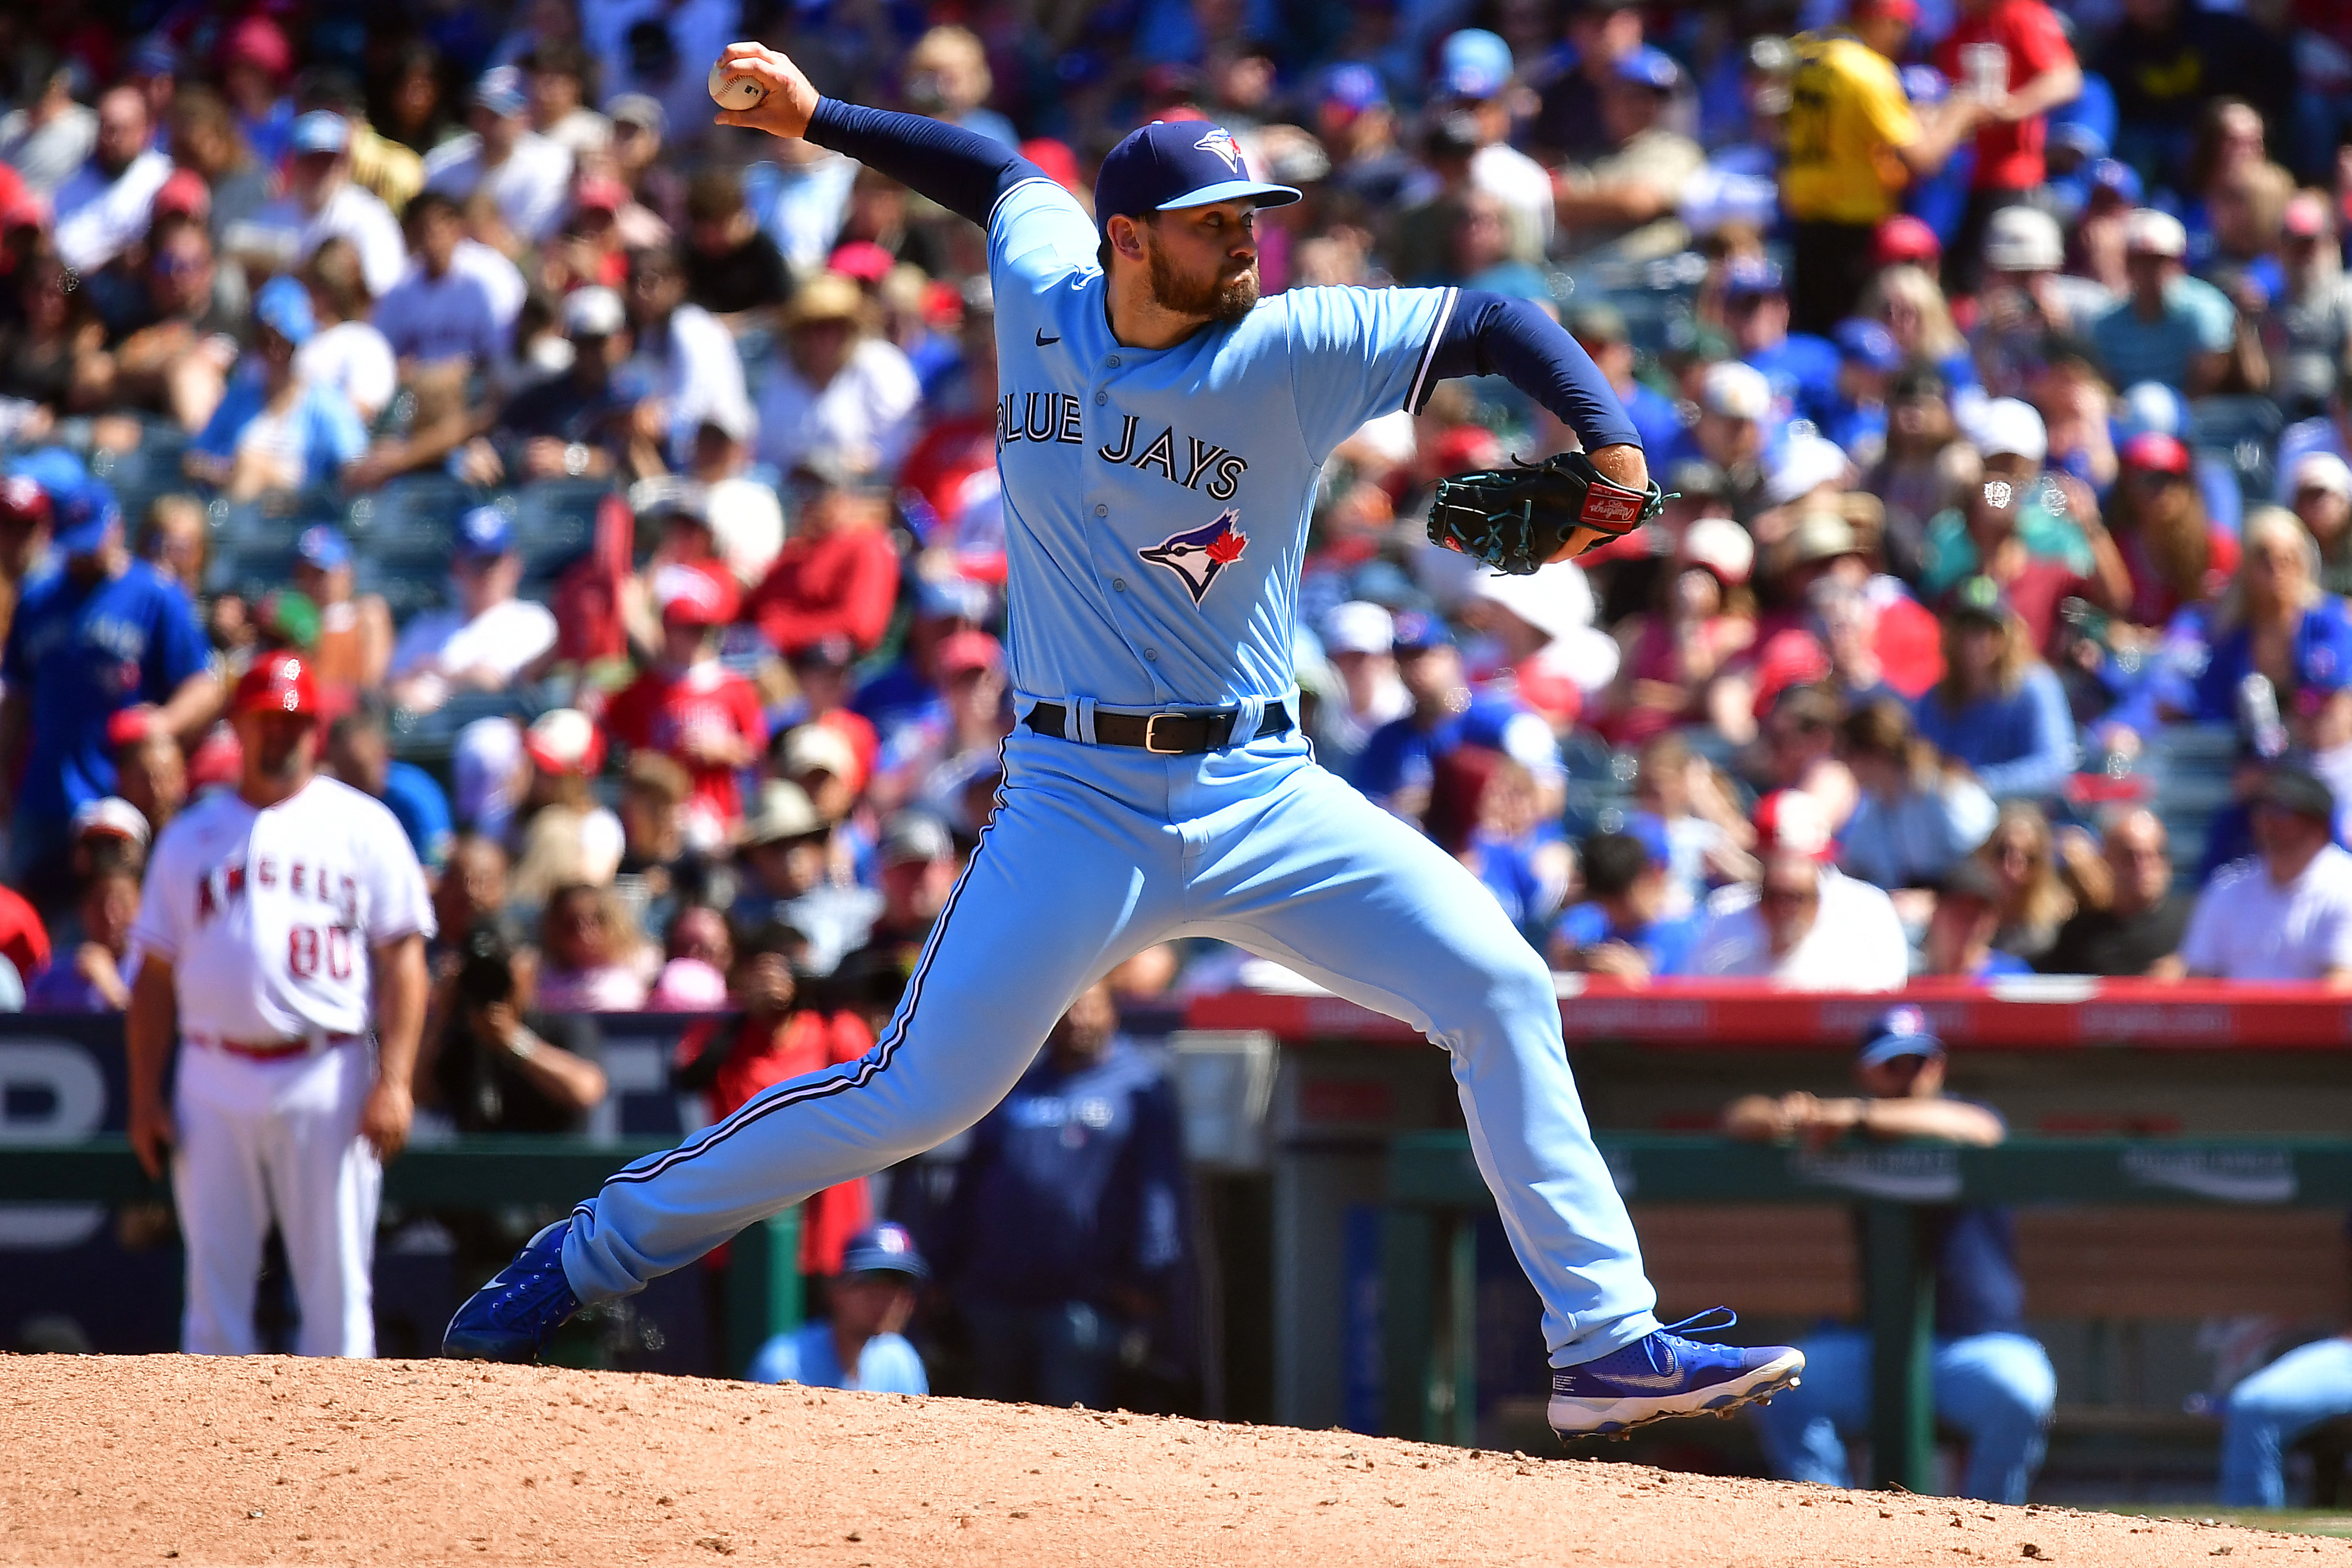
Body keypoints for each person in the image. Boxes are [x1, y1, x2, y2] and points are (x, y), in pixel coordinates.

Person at [447, 47, 1809, 1437]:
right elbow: (987, 169)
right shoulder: (1044, 286)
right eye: (1219, 224)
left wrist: (1619, 455)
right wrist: (818, 120)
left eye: (1251, 219)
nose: (1245, 242)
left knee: (1502, 985)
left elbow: (1499, 317)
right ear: (1127, 242)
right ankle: (591, 1250)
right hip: (1073, 795)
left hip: (1259, 787)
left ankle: (1603, 1337)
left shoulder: (1287, 345)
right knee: (912, 1092)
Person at [124, 654, 433, 1356]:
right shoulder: (190, 834)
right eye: (267, 719)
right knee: (213, 1294)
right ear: (238, 725)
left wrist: (396, 1080)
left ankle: (347, 1457)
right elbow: (152, 978)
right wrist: (145, 1096)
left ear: (316, 731)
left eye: (294, 721)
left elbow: (404, 960)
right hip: (211, 1070)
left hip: (327, 1071)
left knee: (336, 1295)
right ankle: (209, 1455)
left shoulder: (362, 824)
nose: (281, 735)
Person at [1733, 1007, 2057, 1504]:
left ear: (1939, 1066)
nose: (1908, 1075)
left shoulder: (1959, 1116)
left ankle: (1990, 1537)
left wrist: (1855, 1115)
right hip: (1870, 1346)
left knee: (2021, 1393)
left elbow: (1979, 1128)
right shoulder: (1841, 1131)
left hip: (1973, 1346)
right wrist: (1794, 1115)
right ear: (1865, 1070)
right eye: (1893, 1064)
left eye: (1919, 1062)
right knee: (1779, 1387)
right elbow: (1741, 1118)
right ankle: (1830, 1529)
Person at [942, 981, 1187, 1409]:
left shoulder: (1139, 1089)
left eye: (1089, 1007)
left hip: (1085, 1301)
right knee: (989, 1425)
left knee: (1073, 1429)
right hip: (997, 1294)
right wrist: (945, 1262)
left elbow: (1159, 1189)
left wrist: (1149, 1276)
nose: (1077, 1019)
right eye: (1067, 1008)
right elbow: (971, 1179)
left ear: (1113, 1012)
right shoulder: (1017, 1084)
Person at [0, 470, 216, 906]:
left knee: (114, 922)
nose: (84, 555)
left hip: (119, 794)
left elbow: (204, 685)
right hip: (44, 796)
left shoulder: (155, 594)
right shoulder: (39, 598)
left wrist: (163, 722)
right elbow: (18, 698)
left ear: (116, 528)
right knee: (30, 914)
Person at [671, 920, 878, 1276]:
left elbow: (872, 1102)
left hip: (825, 1236)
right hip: (738, 1236)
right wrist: (743, 1014)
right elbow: (686, 1076)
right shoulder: (726, 1032)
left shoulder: (835, 1030)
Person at [1782, 0, 1980, 336]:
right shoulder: (1867, 71)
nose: (1903, 38)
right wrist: (1962, 109)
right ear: (1881, 20)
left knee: (1812, 327)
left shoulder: (1804, 51)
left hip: (1804, 218)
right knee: (1852, 336)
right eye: (1900, 26)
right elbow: (1923, 158)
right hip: (1852, 227)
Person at [1930, 0, 2082, 295]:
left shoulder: (2021, 15)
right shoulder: (1958, 28)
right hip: (1957, 178)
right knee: (1956, 282)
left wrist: (2013, 109)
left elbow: (2065, 79)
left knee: (1995, 283)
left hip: (2011, 176)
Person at [1688, 792, 1911, 989]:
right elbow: (1694, 992)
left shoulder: (1867, 909)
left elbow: (1888, 998)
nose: (1785, 902)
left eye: (1796, 896)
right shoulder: (1727, 908)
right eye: (1776, 863)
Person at [2175, 767, 2352, 984]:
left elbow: (2341, 988)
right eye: (2260, 808)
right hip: (2236, 1016)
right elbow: (2199, 979)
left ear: (2317, 824)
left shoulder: (2344, 885)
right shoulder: (2228, 886)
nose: (2266, 820)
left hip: (2312, 1018)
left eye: (2281, 810)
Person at [1913, 578, 2077, 801]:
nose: (1974, 640)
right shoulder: (1937, 698)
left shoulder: (2034, 688)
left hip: (2026, 817)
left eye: (1988, 629)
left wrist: (1980, 782)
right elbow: (1919, 762)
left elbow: (2055, 767)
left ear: (2009, 634)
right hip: (1954, 817)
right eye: (1965, 629)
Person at [385, 506, 559, 715]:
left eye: (493, 562)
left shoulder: (532, 620)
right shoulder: (427, 625)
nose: (486, 573)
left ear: (514, 564)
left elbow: (492, 683)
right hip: (423, 732)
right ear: (457, 566)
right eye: (476, 562)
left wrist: (436, 672)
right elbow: (389, 688)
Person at [1837, 696, 1998, 895]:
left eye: (1848, 755)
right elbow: (1858, 865)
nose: (1845, 765)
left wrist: (1934, 898)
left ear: (1874, 753)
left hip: (1962, 899)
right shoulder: (1876, 806)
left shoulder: (1942, 791)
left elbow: (1980, 860)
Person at [746, 1221, 929, 1393]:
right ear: (837, 1290)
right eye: (873, 1281)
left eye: (900, 1285)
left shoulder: (902, 1361)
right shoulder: (784, 1364)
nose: (889, 1299)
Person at [420, 67, 574, 251]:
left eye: (496, 116)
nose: (485, 123)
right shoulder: (442, 162)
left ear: (524, 117)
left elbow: (531, 244)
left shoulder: (552, 164)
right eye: (480, 112)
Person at [2089, 210, 2236, 398]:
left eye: (2158, 261)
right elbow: (2108, 383)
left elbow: (2212, 369)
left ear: (2178, 263)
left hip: (2195, 413)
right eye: (2140, 261)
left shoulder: (2205, 309)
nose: (2148, 271)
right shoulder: (2107, 324)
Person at [2037, 808, 2193, 977]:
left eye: (2156, 854)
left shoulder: (2196, 923)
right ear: (2105, 859)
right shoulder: (2079, 935)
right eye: (2131, 856)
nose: (2144, 866)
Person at [1548, 823, 1700, 981]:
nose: (1616, 910)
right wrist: (1584, 962)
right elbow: (1561, 949)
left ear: (1654, 874)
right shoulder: (1593, 918)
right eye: (1608, 902)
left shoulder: (1687, 929)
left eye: (1623, 899)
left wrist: (1640, 981)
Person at [2220, 1327, 2352, 1509]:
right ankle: (2255, 1517)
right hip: (2259, 1407)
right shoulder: (2335, 1354)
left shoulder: (2323, 1351)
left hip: (2249, 1403)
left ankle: (2252, 1517)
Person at [51, 85, 173, 275]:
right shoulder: (73, 180)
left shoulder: (160, 178)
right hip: (73, 283)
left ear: (144, 130)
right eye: (106, 128)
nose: (111, 138)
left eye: (120, 130)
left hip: (127, 283)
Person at [326, 698, 454, 873]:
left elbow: (438, 872)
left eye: (359, 768)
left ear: (386, 754)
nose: (350, 780)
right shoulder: (330, 797)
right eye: (342, 769)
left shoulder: (412, 798)